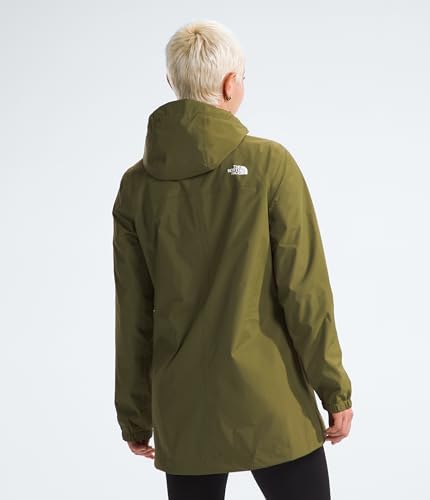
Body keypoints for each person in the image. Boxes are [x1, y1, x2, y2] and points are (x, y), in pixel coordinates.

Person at [112, 19, 353, 500]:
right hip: (272, 401)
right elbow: (304, 291)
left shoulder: (136, 187)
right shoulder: (270, 165)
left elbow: (133, 313)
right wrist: (334, 389)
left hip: (184, 410)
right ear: (229, 85)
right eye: (243, 77)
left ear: (171, 83)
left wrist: (135, 415)